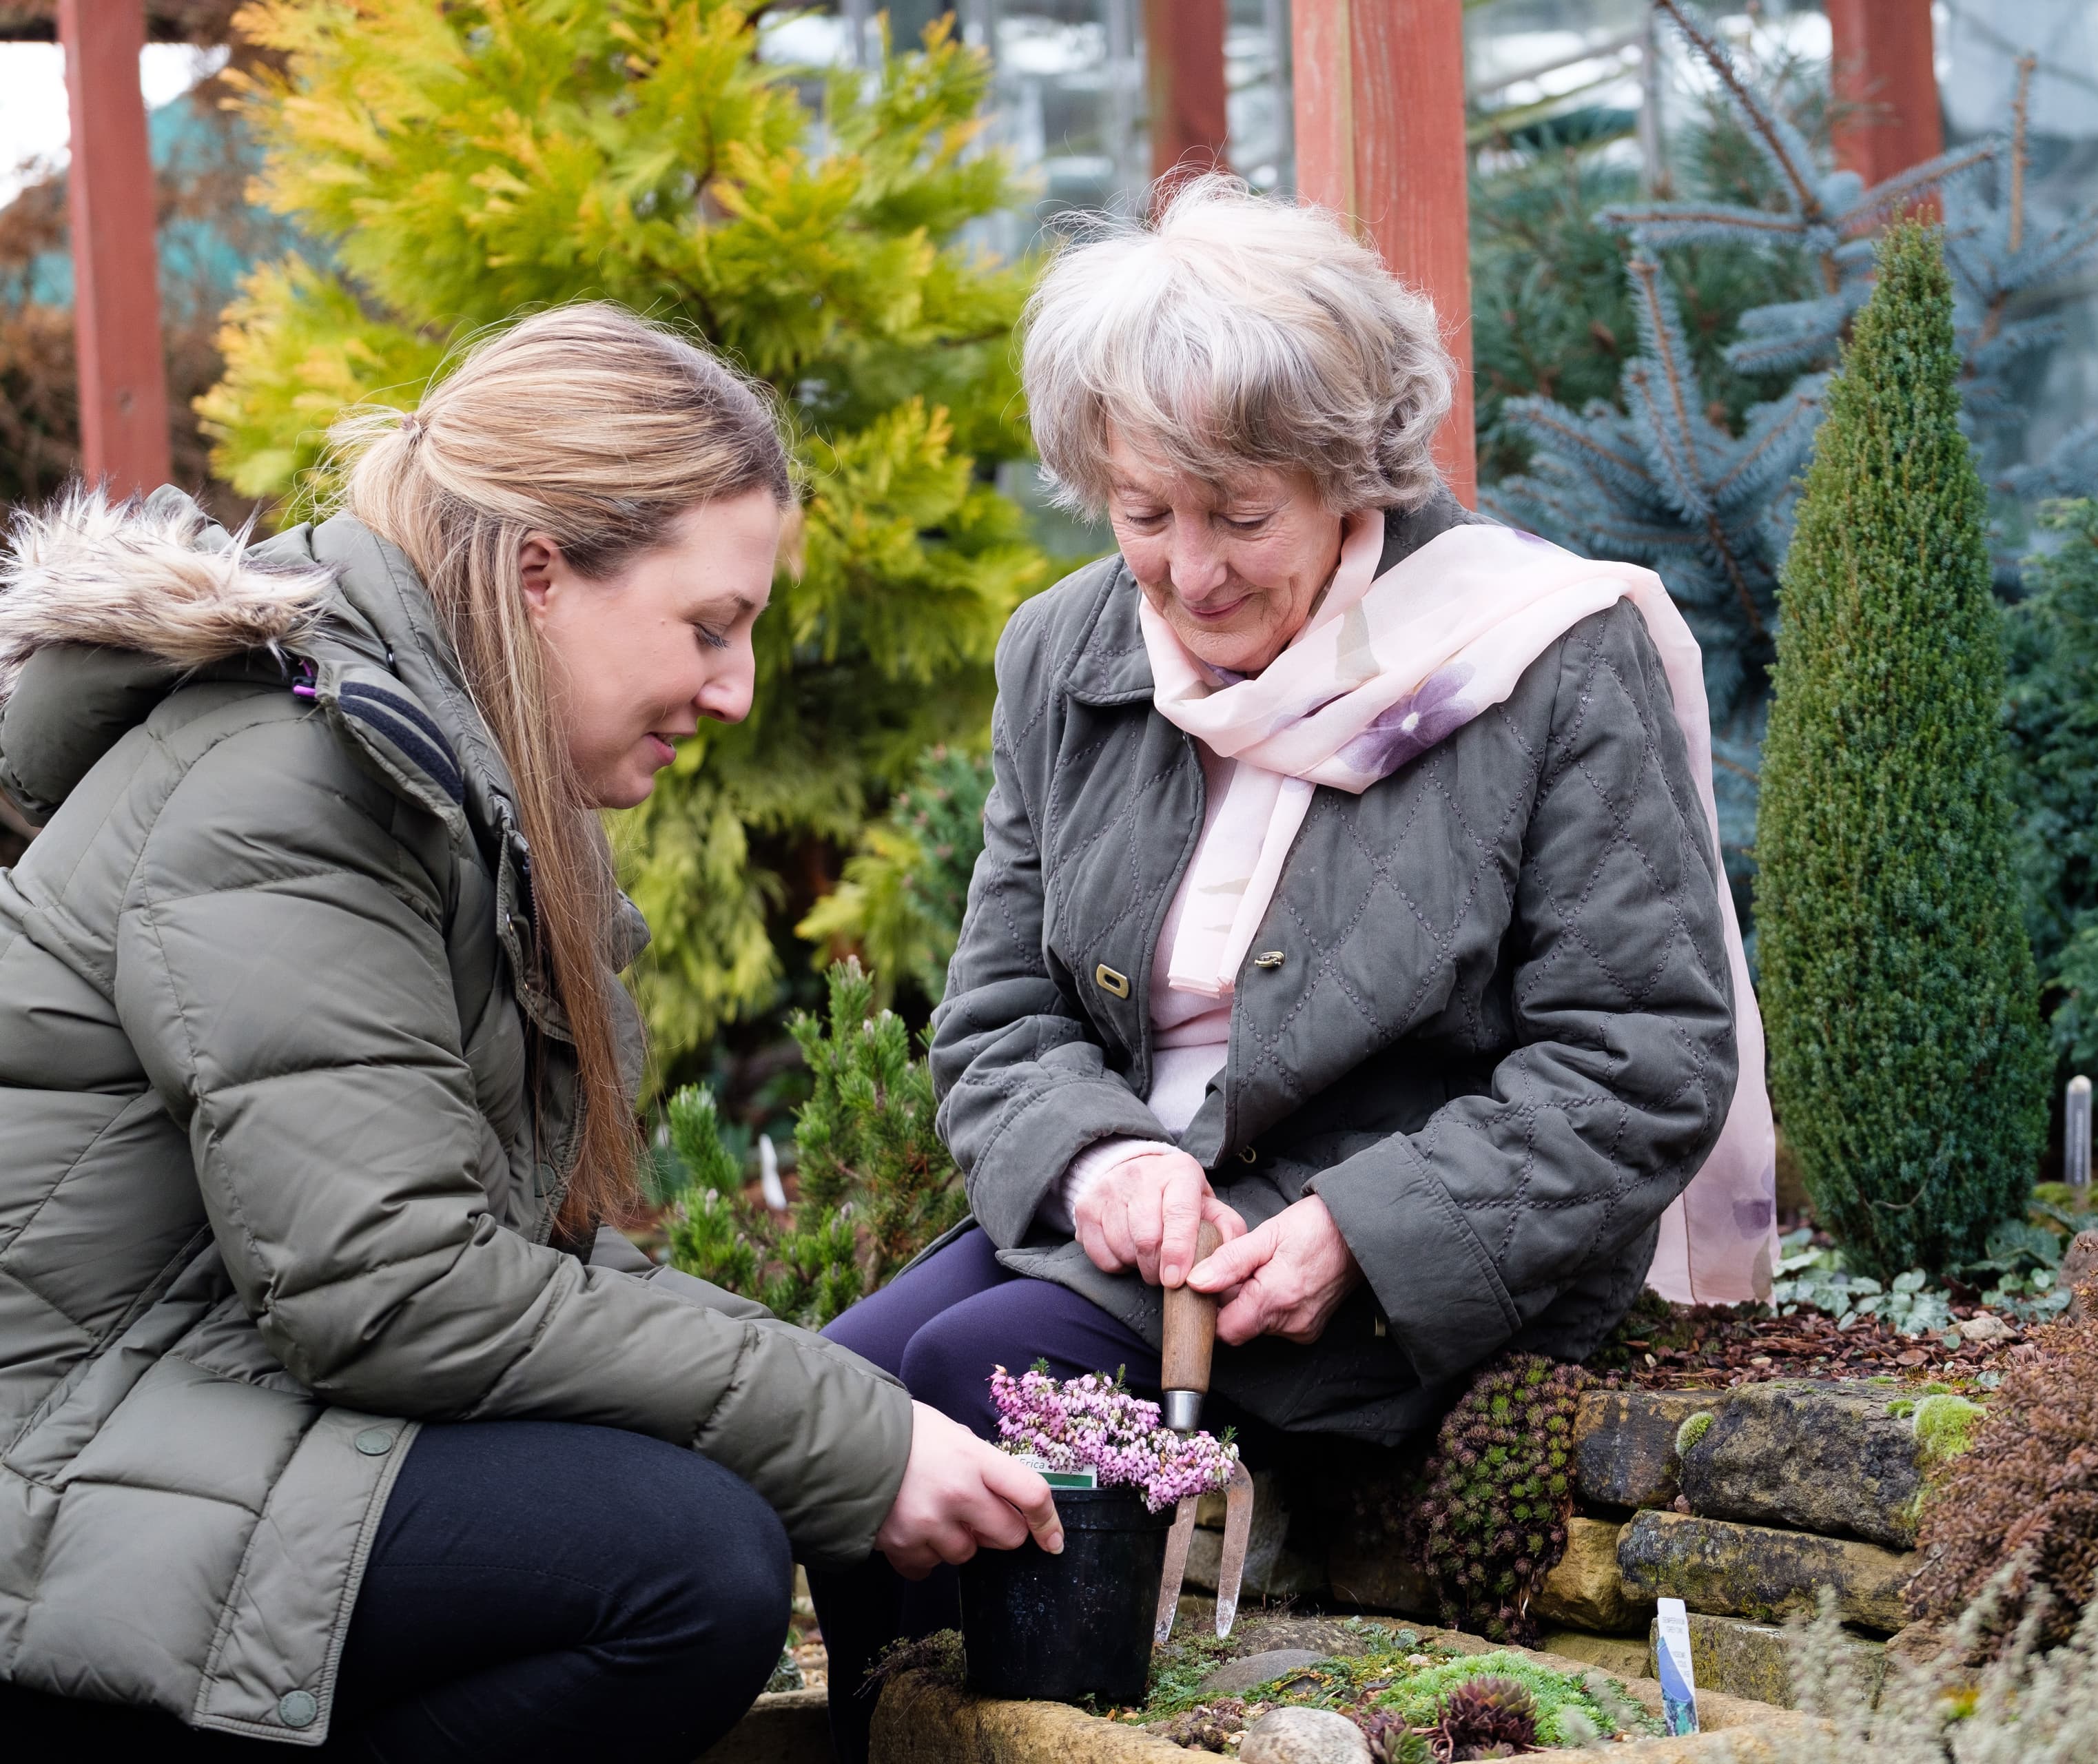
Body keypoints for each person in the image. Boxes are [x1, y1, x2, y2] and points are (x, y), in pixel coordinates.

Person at [0, 304, 1058, 1764]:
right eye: (711, 625)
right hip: (58, 1458)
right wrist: (852, 1436)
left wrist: (850, 1413)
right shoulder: (289, 786)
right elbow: (394, 1286)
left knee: (719, 1513)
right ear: (542, 573)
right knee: (681, 1570)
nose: (736, 689)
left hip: (182, 1395)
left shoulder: (416, 775)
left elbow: (510, 1255)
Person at [808, 176, 1776, 1753]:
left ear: (1355, 471)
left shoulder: (1544, 655)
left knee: (980, 1375)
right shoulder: (1066, 649)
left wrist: (1361, 1232)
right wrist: (1096, 1152)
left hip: (1400, 1235)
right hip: (1136, 1221)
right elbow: (995, 1010)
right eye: (1143, 514)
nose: (1187, 573)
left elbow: (1642, 1055)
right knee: (845, 1400)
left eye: (1241, 514)